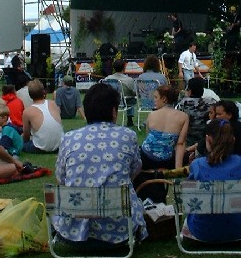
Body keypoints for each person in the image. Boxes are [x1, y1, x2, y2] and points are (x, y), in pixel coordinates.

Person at [53, 82, 147, 248]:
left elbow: (61, 178)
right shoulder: (127, 136)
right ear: (113, 111)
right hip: (121, 230)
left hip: (72, 229)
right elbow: (135, 170)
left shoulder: (69, 138)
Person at [186, 119, 241, 243]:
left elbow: (189, 198)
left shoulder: (197, 165)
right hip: (239, 228)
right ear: (233, 140)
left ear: (208, 140)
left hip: (201, 229)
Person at [140, 85, 189, 169]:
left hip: (146, 159)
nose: (154, 100)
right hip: (166, 161)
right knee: (186, 155)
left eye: (156, 97)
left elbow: (148, 137)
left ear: (164, 99)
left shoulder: (152, 115)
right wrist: (178, 170)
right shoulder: (183, 117)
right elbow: (180, 144)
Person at [22, 78, 64, 153]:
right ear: (43, 91)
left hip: (40, 147)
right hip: (59, 145)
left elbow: (26, 135)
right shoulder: (53, 104)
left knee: (19, 142)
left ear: (30, 94)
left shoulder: (27, 112)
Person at [176, 76, 216, 147]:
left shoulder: (183, 103)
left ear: (190, 91)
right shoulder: (211, 102)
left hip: (187, 140)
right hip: (205, 140)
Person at [104, 58, 136, 127]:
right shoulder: (128, 80)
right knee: (132, 99)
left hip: (110, 101)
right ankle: (130, 119)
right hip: (123, 101)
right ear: (124, 67)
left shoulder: (107, 79)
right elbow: (134, 92)